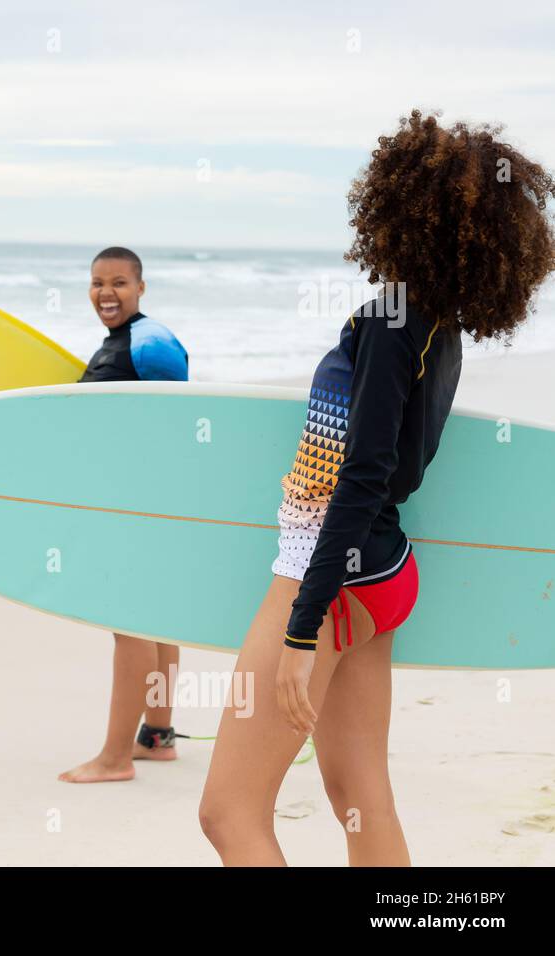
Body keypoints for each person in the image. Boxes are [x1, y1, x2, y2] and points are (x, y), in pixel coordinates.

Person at [199, 109, 555, 864]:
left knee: (229, 813)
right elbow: (396, 469)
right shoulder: (439, 325)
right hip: (382, 575)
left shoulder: (392, 318)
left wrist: (303, 627)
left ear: (398, 208)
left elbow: (361, 476)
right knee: (360, 797)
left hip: (329, 577)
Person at [59, 246, 190, 783]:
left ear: (140, 288)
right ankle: (156, 738)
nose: (105, 293)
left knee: (128, 624)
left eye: (117, 282)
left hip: (137, 501)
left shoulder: (149, 343)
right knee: (155, 618)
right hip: (147, 499)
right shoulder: (125, 343)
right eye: (96, 283)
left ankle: (113, 760)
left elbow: (175, 419)